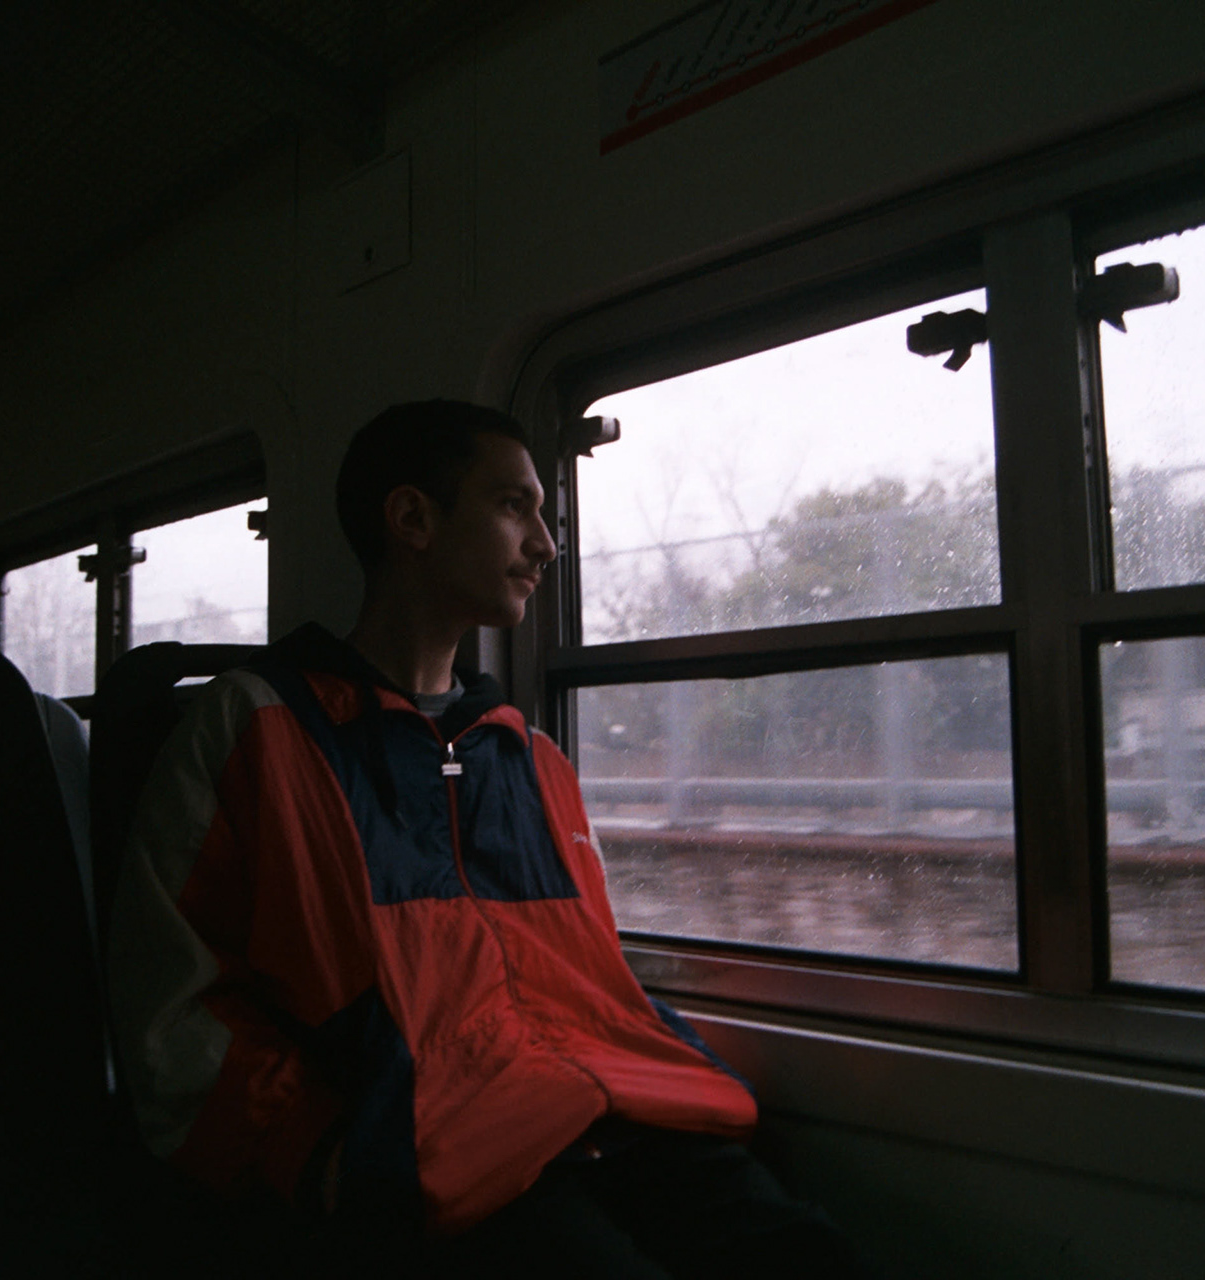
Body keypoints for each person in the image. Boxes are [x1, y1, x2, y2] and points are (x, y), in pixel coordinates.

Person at [108, 400, 866, 1277]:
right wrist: (318, 1153)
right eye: (513, 507)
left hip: (615, 1113)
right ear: (412, 519)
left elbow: (589, 983)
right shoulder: (256, 728)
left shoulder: (531, 757)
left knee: (812, 1256)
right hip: (429, 1153)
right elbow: (173, 1007)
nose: (545, 545)